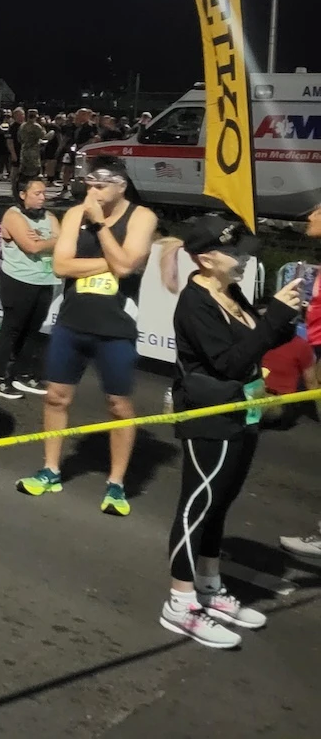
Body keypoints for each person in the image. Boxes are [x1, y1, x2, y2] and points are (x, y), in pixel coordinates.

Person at [156, 216, 304, 648]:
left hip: (244, 410)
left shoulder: (230, 290)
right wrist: (274, 317)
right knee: (197, 506)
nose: (244, 259)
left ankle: (209, 587)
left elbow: (256, 342)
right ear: (206, 259)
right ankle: (179, 604)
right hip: (209, 413)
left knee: (220, 504)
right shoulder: (195, 304)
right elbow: (228, 363)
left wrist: (284, 319)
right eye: (234, 253)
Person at [16, 156, 156, 516]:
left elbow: (129, 267)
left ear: (121, 185)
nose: (91, 191)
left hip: (115, 326)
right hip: (72, 320)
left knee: (118, 406)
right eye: (89, 184)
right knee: (56, 397)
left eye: (100, 185)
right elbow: (62, 265)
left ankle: (116, 482)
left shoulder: (141, 217)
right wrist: (116, 260)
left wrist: (101, 228)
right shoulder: (75, 214)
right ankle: (51, 469)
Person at [0, 175, 60, 399]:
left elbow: (64, 240)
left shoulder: (49, 216)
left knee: (33, 330)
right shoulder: (13, 215)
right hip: (18, 281)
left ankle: (22, 373)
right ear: (22, 195)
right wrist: (49, 242)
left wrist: (44, 241)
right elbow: (31, 247)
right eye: (37, 193)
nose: (42, 197)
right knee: (12, 328)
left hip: (45, 280)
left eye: (44, 193)